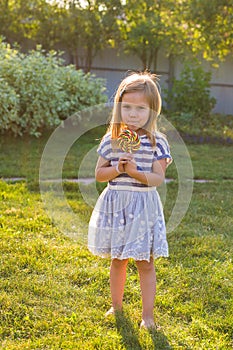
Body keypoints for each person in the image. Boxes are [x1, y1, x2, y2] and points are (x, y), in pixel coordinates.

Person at [88, 71, 172, 329]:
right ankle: (116, 305)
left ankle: (148, 316)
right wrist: (118, 169)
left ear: (152, 111)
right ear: (118, 108)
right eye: (127, 108)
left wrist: (135, 172)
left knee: (146, 262)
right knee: (118, 259)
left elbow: (158, 178)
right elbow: (100, 175)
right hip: (117, 205)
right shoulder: (111, 140)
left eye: (140, 108)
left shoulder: (158, 143)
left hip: (143, 206)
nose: (133, 114)